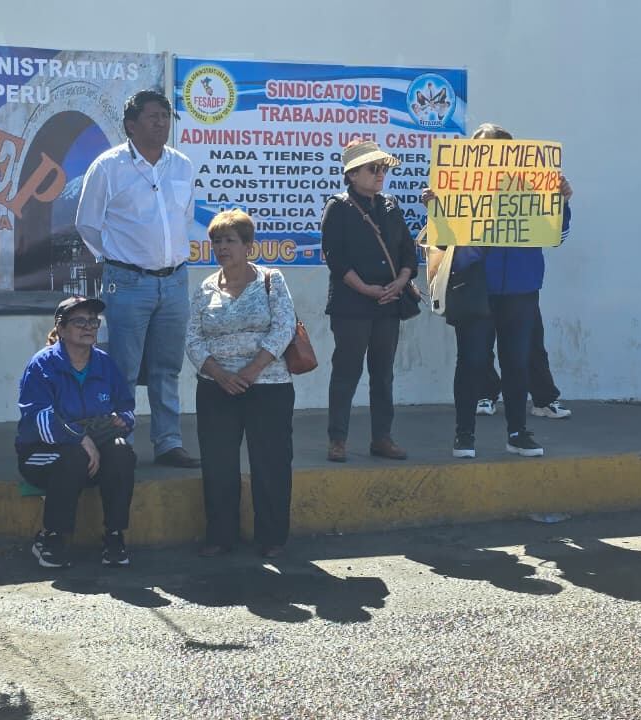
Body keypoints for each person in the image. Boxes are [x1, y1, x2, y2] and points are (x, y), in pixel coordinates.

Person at [423, 123, 573, 459]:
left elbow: (557, 237)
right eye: (479, 151)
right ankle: (464, 435)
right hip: (474, 286)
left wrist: (559, 203)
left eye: (492, 150)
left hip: (521, 288)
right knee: (471, 361)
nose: (485, 158)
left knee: (516, 363)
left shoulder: (532, 191)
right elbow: (443, 241)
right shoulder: (459, 190)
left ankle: (518, 433)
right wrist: (437, 209)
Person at [75, 89, 200, 469]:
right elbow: (87, 224)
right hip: (127, 282)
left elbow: (185, 218)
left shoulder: (181, 165)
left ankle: (168, 443)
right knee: (123, 369)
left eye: (165, 115)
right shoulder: (108, 166)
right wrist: (116, 260)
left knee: (167, 368)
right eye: (152, 116)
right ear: (131, 125)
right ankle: (120, 443)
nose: (161, 122)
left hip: (175, 282)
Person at [185, 210, 297, 558]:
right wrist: (221, 375)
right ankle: (221, 537)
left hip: (268, 385)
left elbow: (284, 328)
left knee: (271, 463)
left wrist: (251, 371)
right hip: (216, 387)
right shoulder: (205, 288)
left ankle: (272, 538)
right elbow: (193, 338)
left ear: (248, 245)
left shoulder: (271, 280)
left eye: (230, 240)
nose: (221, 247)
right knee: (219, 465)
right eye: (216, 241)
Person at [16, 297, 137, 568]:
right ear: (60, 329)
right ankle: (52, 537)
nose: (89, 327)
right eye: (79, 321)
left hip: (92, 457)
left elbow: (127, 406)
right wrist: (80, 439)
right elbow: (40, 420)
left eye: (93, 321)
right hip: (41, 455)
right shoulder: (42, 365)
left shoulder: (105, 363)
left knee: (121, 453)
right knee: (72, 457)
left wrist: (122, 419)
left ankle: (115, 535)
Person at [321, 140, 420, 463]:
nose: (380, 174)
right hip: (352, 304)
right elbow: (336, 258)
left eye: (383, 168)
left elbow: (407, 249)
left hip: (389, 303)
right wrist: (365, 289)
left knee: (383, 374)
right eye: (372, 168)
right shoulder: (338, 207)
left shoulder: (390, 205)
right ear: (351, 174)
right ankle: (338, 439)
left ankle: (382, 438)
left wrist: (401, 281)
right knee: (347, 372)